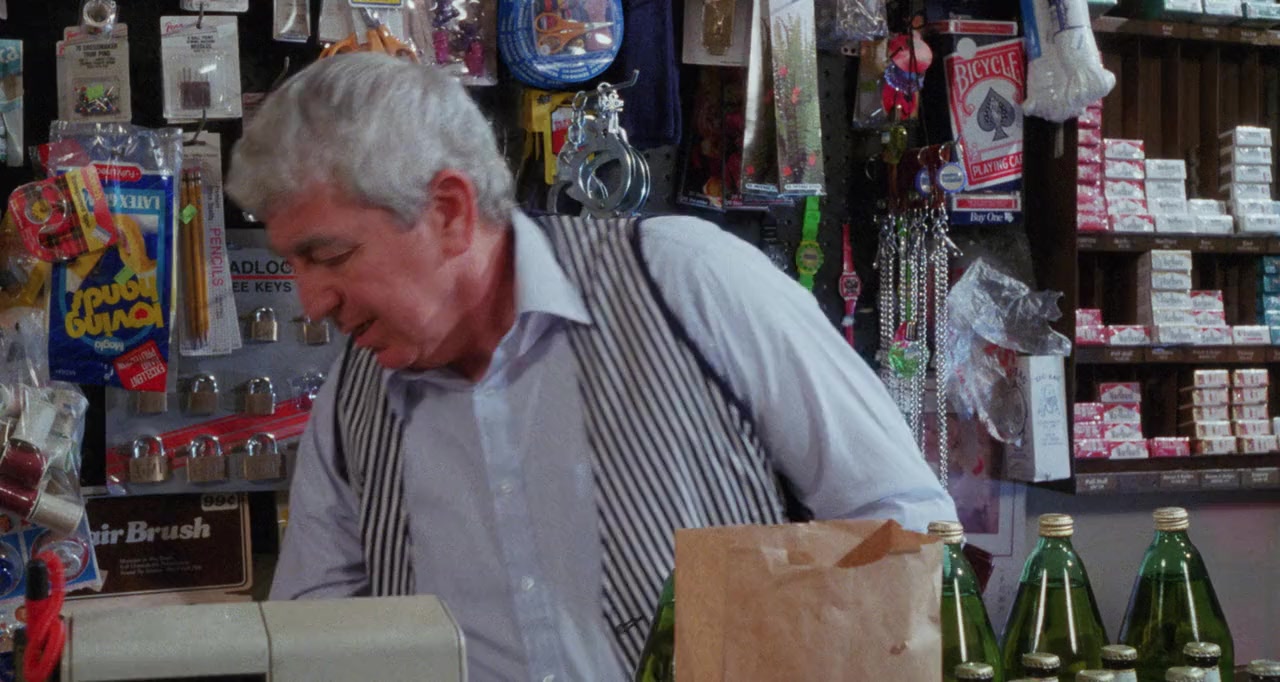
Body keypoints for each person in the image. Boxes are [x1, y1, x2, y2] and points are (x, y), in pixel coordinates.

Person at [226, 53, 956, 682]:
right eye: (295, 264)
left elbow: (903, 522)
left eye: (330, 256)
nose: (311, 301)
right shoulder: (354, 399)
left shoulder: (684, 280)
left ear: (448, 210)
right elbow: (313, 640)